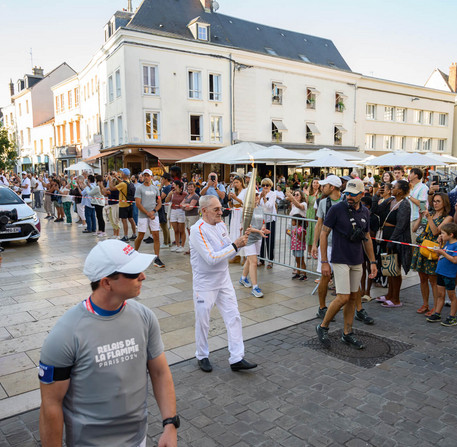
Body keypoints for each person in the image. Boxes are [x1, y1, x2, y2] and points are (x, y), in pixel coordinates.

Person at [38, 240, 178, 447]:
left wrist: (170, 424)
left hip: (138, 439)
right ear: (106, 283)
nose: (143, 276)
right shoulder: (66, 334)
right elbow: (50, 404)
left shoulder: (145, 317)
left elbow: (160, 372)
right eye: (133, 273)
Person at [189, 195, 257, 373]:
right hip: (204, 284)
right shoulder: (197, 230)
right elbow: (211, 258)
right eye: (216, 209)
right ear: (204, 211)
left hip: (223, 281)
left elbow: (230, 252)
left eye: (221, 208)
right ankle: (202, 355)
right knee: (203, 321)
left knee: (234, 317)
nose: (221, 212)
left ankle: (237, 358)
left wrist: (246, 239)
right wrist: (235, 246)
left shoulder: (220, 225)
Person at [316, 178, 377, 349]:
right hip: (339, 258)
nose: (349, 197)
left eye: (353, 194)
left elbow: (367, 239)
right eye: (347, 193)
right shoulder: (336, 209)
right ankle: (323, 326)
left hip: (357, 259)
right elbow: (323, 234)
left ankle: (347, 333)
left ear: (362, 194)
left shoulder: (365, 212)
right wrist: (324, 261)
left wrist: (372, 261)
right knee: (343, 297)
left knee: (351, 298)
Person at [411, 192, 452, 315]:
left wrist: (428, 217)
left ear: (444, 203)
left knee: (433, 280)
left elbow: (435, 232)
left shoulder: (447, 218)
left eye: (438, 201)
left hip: (433, 250)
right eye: (434, 201)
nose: (435, 203)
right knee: (422, 278)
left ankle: (435, 306)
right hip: (423, 248)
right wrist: (420, 217)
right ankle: (425, 304)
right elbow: (414, 229)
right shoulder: (431, 214)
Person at [376, 180, 412, 308]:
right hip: (387, 238)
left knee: (395, 269)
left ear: (401, 190)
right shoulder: (390, 200)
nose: (392, 188)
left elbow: (401, 225)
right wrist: (376, 196)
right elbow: (377, 210)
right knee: (388, 267)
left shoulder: (405, 204)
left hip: (396, 240)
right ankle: (389, 294)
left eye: (395, 187)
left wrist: (392, 240)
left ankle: (396, 298)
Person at [312, 175, 343, 319]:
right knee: (324, 277)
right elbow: (319, 224)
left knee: (347, 276)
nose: (321, 187)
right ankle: (322, 306)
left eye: (324, 185)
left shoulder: (345, 200)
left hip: (343, 245)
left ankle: (356, 308)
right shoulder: (323, 202)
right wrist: (315, 244)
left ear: (332, 187)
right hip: (328, 245)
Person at [426, 223, 457, 326]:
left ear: (451, 234)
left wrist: (443, 252)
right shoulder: (446, 242)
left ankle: (452, 317)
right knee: (440, 294)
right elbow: (439, 254)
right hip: (441, 272)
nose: (441, 235)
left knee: (452, 296)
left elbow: (454, 260)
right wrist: (440, 245)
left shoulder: (455, 245)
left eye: (443, 233)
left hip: (449, 274)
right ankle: (437, 313)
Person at [239, 196, 270, 297]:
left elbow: (263, 222)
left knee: (250, 260)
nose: (256, 197)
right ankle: (255, 287)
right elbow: (247, 228)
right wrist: (259, 231)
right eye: (254, 194)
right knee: (254, 262)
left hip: (258, 238)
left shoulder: (260, 208)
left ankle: (243, 278)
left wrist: (263, 229)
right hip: (248, 238)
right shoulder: (246, 210)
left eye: (257, 194)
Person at [134, 169, 165, 268]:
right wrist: (148, 213)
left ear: (151, 177)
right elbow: (138, 204)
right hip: (143, 215)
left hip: (153, 215)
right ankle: (134, 253)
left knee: (156, 235)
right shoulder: (139, 188)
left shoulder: (155, 189)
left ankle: (157, 257)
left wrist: (153, 211)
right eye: (145, 175)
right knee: (141, 235)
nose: (146, 177)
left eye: (148, 175)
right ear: (143, 176)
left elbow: (159, 202)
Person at [115, 168, 137, 242]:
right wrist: (116, 177)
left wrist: (109, 179)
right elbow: (122, 183)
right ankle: (134, 234)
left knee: (124, 221)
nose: (120, 173)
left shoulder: (122, 184)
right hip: (129, 204)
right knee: (131, 219)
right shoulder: (129, 182)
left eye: (121, 172)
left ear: (123, 174)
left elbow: (112, 188)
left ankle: (126, 236)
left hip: (123, 205)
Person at [259, 178, 276, 269]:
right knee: (261, 240)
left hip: (270, 220)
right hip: (262, 220)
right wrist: (259, 198)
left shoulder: (273, 194)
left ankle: (270, 260)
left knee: (270, 240)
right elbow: (257, 205)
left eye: (267, 185)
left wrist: (264, 198)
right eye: (263, 185)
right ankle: (261, 259)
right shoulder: (259, 194)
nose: (265, 187)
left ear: (270, 186)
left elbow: (269, 206)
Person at [228, 175, 246, 263]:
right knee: (234, 233)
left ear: (241, 182)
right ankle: (236, 255)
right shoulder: (234, 191)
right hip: (235, 212)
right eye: (234, 182)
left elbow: (245, 202)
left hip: (241, 212)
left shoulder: (245, 191)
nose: (235, 184)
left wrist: (236, 198)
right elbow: (231, 204)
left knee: (241, 233)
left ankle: (244, 256)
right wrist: (230, 199)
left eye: (237, 182)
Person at [166, 180, 187, 253]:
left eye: (174, 184)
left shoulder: (184, 193)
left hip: (181, 212)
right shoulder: (172, 193)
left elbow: (188, 201)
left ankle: (182, 246)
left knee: (182, 230)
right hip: (173, 212)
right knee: (176, 230)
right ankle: (177, 245)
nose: (172, 185)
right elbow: (166, 201)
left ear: (178, 186)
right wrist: (169, 194)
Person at [408, 168, 429, 236]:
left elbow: (422, 204)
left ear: (416, 175)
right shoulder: (410, 187)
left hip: (417, 219)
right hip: (408, 218)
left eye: (411, 173)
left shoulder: (423, 188)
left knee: (415, 243)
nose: (409, 175)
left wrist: (409, 196)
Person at [180, 181, 200, 254]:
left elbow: (190, 207)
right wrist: (186, 206)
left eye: (191, 187)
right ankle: (191, 248)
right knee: (189, 234)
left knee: (193, 233)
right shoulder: (187, 196)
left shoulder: (195, 196)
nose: (190, 188)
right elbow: (181, 204)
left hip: (193, 216)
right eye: (189, 187)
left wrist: (184, 206)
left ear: (194, 188)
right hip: (187, 216)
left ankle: (194, 249)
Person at [287, 214, 307, 281]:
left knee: (301, 261)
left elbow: (302, 239)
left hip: (299, 247)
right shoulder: (296, 229)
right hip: (295, 247)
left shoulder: (302, 230)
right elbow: (293, 236)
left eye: (293, 220)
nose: (292, 222)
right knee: (297, 261)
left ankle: (304, 275)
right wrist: (289, 233)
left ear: (297, 221)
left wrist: (297, 234)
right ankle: (298, 273)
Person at [304, 178, 320, 258]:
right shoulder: (308, 193)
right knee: (309, 233)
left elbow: (318, 203)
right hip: (309, 213)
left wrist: (317, 195)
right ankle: (309, 252)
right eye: (314, 182)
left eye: (317, 183)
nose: (315, 184)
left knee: (315, 233)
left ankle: (315, 251)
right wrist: (307, 195)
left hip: (316, 214)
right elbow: (306, 204)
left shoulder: (321, 193)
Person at [159, 173, 172, 248]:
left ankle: (166, 242)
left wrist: (160, 187)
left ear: (166, 179)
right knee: (165, 225)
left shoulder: (167, 187)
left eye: (162, 179)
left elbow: (160, 197)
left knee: (163, 224)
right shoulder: (168, 187)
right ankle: (169, 241)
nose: (161, 180)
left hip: (163, 207)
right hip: (165, 208)